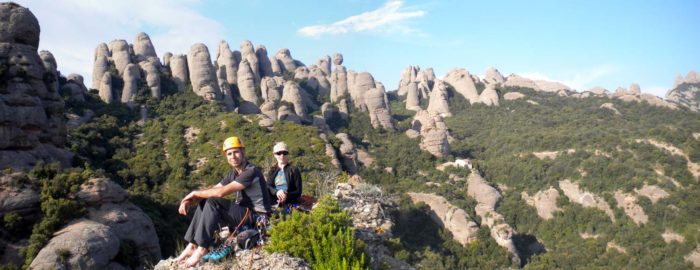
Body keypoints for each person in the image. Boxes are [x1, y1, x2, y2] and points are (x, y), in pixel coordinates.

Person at [174, 136, 273, 267]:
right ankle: (192, 245)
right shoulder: (234, 174)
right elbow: (215, 188)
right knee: (205, 201)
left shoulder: (251, 171)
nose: (233, 156)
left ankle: (202, 248)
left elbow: (221, 192)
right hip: (244, 215)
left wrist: (194, 193)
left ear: (244, 152)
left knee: (214, 201)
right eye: (229, 153)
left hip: (258, 217)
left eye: (236, 152)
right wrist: (190, 200)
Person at [267, 142, 303, 207]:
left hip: (291, 203)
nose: (282, 155)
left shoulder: (294, 170)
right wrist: (276, 192)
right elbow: (268, 186)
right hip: (274, 202)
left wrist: (287, 195)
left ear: (287, 154)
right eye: (279, 153)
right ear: (274, 155)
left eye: (284, 153)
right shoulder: (272, 171)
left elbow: (298, 192)